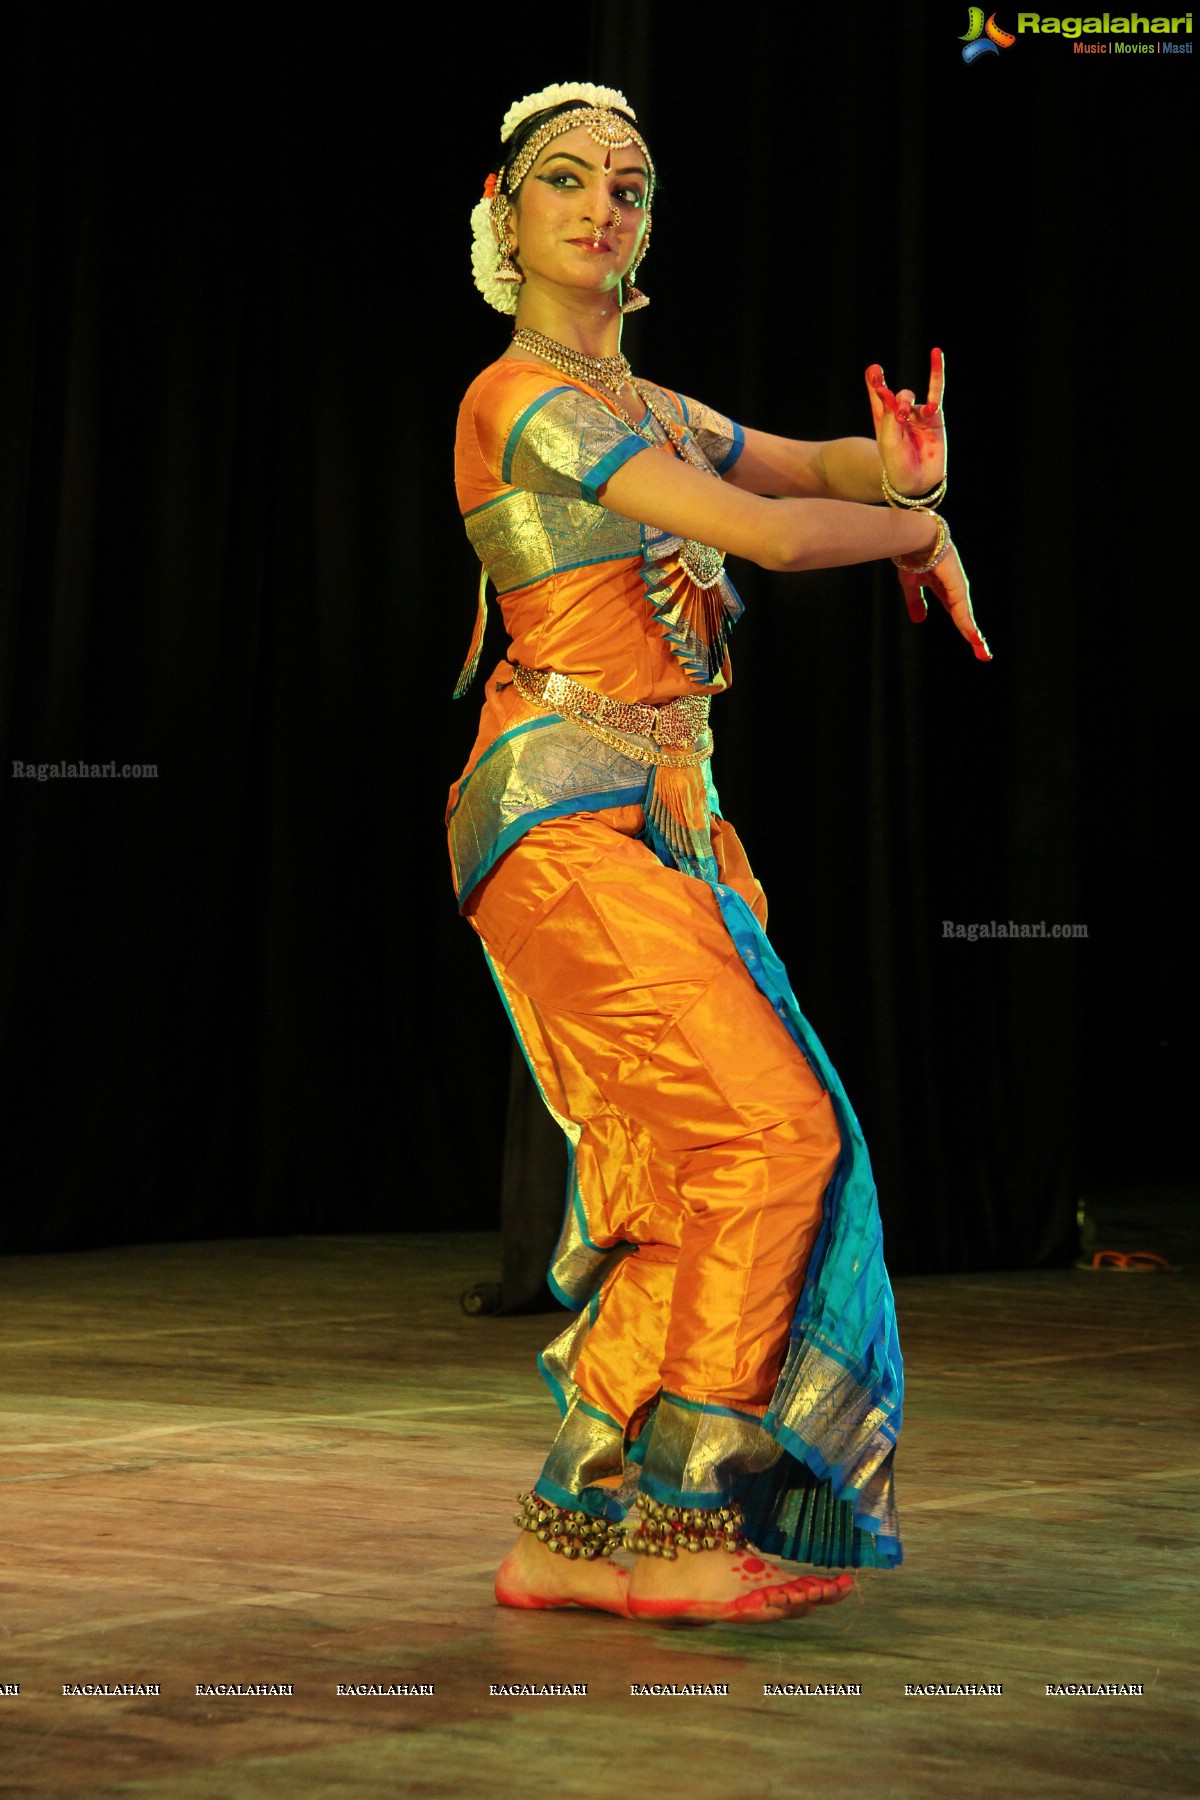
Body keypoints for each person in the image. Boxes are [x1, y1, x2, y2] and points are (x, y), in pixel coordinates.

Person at [447, 81, 989, 1626]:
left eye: (629, 185)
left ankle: (573, 1525)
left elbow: (812, 472)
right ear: (504, 211)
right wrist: (920, 534)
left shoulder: (659, 408)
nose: (602, 205)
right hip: (560, 817)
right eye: (566, 179)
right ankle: (688, 1518)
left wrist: (905, 472)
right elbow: (763, 534)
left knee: (709, 1169)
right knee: (776, 1138)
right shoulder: (516, 402)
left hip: (665, 827)